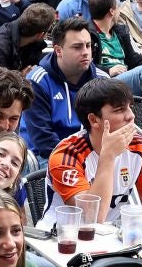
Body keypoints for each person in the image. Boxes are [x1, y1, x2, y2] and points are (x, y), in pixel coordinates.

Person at [46, 77, 142, 224]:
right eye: (120, 110)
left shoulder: (139, 147)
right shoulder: (66, 155)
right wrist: (108, 157)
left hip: (115, 239)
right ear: (94, 120)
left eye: (130, 107)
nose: (131, 116)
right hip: (62, 239)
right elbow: (92, 218)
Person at [21, 16, 108, 160]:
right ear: (58, 51)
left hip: (90, 155)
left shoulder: (102, 80)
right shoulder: (37, 82)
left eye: (88, 45)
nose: (86, 52)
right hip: (44, 158)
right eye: (77, 47)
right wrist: (80, 160)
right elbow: (44, 140)